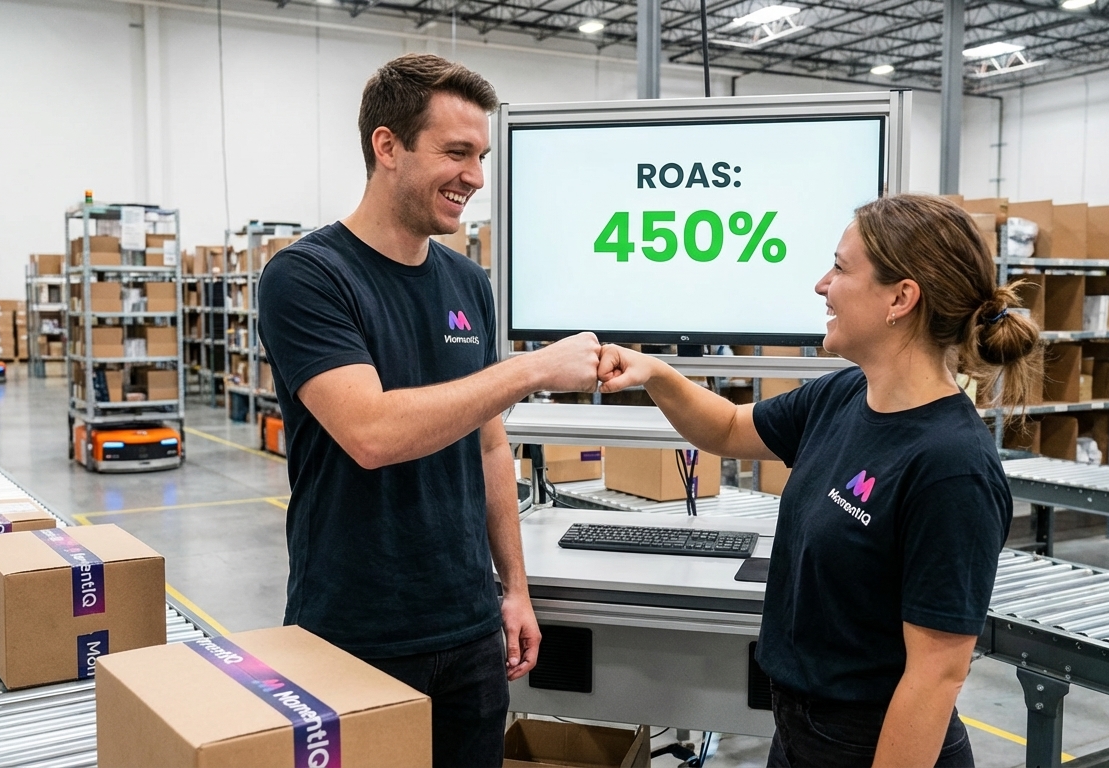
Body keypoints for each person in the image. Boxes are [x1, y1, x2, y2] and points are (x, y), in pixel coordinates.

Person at [596, 194, 1040, 767]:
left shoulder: (951, 466)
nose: (821, 284)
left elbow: (936, 676)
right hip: (799, 730)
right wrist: (654, 373)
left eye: (841, 268)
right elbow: (731, 427)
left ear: (901, 298)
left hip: (871, 743)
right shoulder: (845, 394)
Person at [257, 54, 600, 768]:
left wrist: (514, 589)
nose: (475, 175)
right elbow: (372, 433)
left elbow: (488, 448)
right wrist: (532, 369)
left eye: (480, 155)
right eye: (455, 152)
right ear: (388, 147)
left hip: (470, 629)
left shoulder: (468, 282)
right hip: (355, 628)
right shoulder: (308, 277)